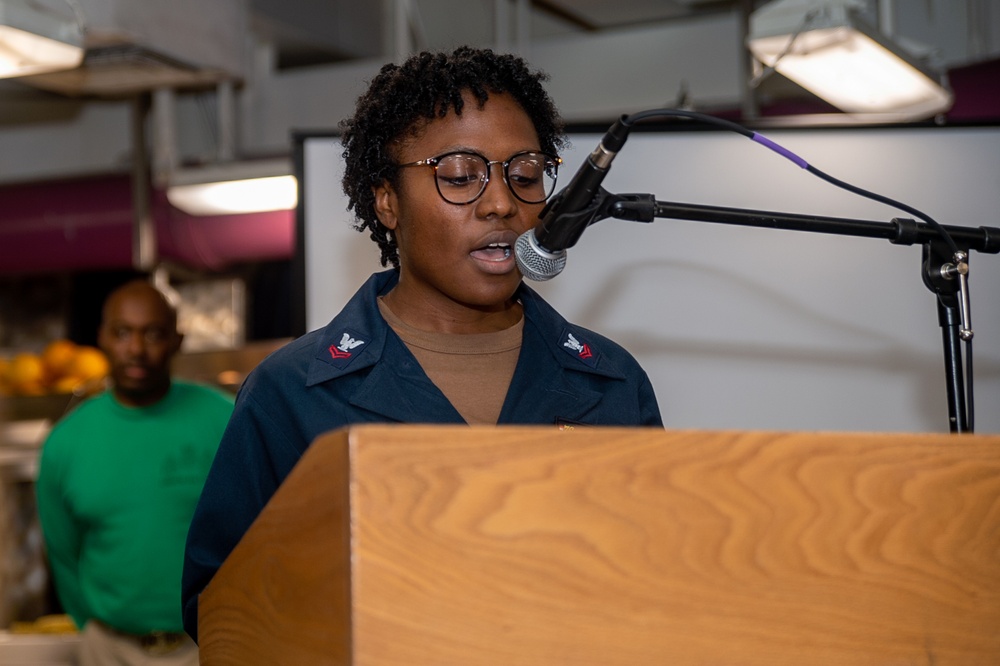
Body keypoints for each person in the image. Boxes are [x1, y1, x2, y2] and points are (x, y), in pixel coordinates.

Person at [181, 46, 662, 641]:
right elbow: (224, 613)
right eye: (460, 176)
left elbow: (658, 586)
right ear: (387, 200)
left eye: (526, 175)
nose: (501, 203)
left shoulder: (609, 382)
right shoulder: (294, 393)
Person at [35, 280, 234, 665]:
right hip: (107, 649)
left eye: (154, 334)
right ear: (102, 338)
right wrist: (94, 629)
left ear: (177, 341)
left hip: (210, 646)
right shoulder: (65, 442)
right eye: (123, 333)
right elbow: (62, 554)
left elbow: (260, 531)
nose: (137, 350)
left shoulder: (226, 420)